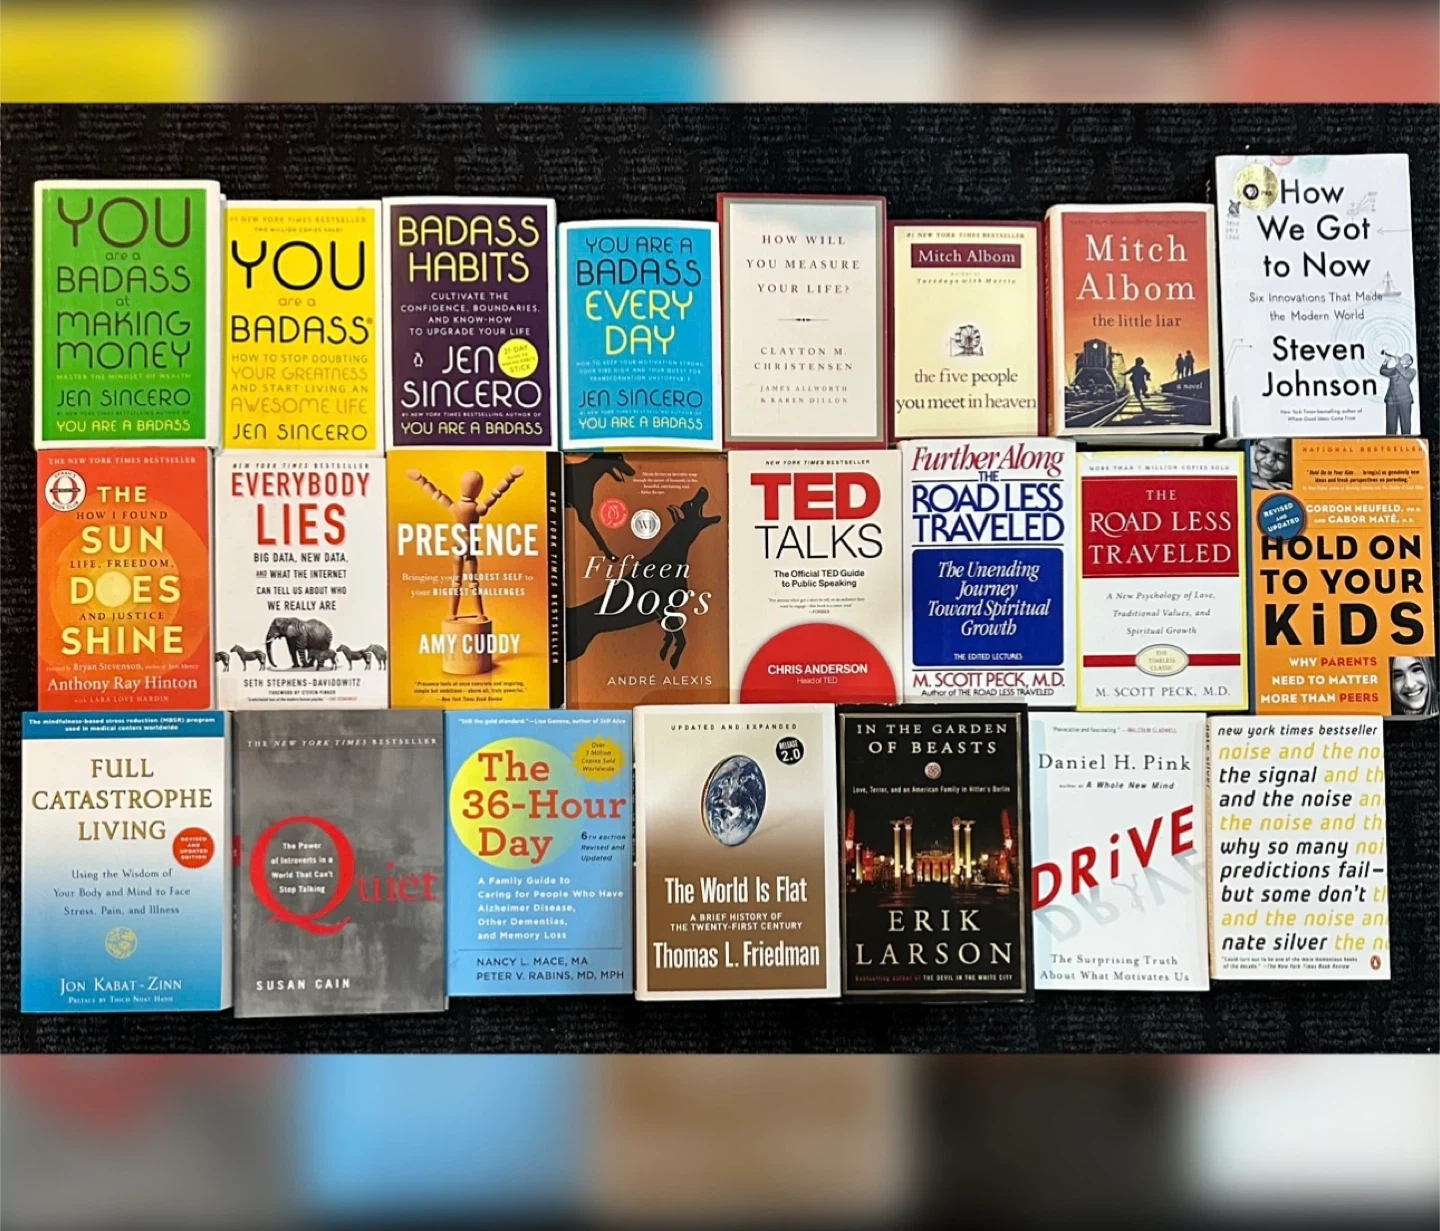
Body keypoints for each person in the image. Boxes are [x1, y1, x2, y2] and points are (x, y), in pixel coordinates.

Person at [1379, 352, 1416, 435]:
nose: (1402, 357)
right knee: (1390, 424)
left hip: (1405, 401)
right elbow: (1382, 371)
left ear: (1409, 362)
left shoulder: (1412, 371)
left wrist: (1398, 363)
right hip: (1391, 400)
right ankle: (1390, 441)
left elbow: (1406, 375)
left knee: (1405, 423)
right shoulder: (1394, 369)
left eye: (1405, 357)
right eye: (1402, 356)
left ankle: (1406, 441)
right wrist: (1386, 361)